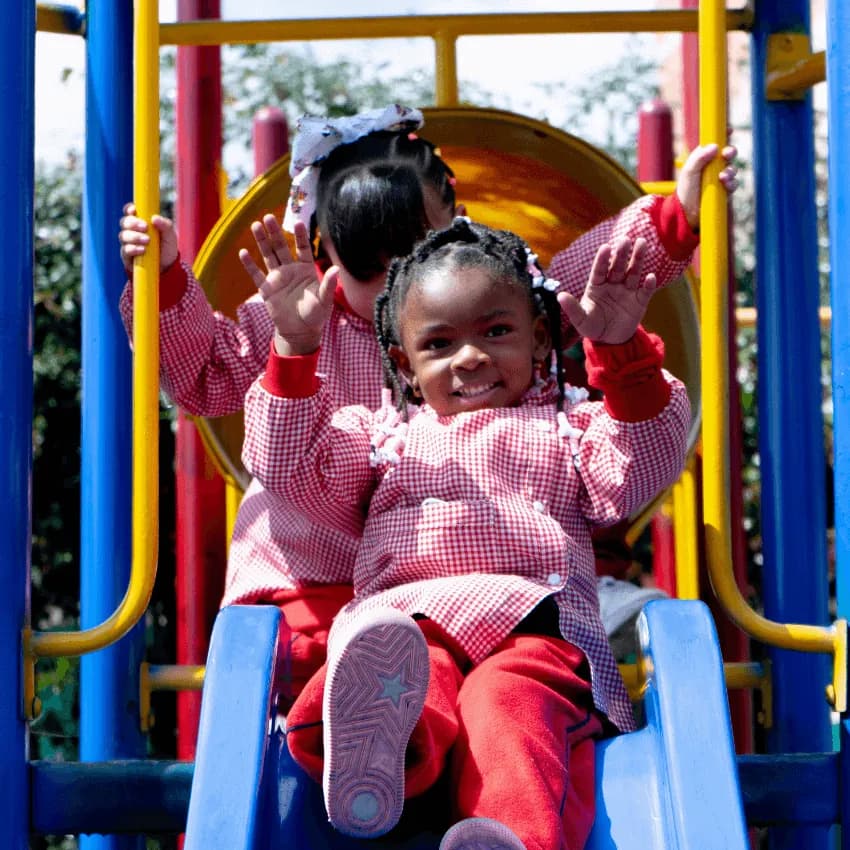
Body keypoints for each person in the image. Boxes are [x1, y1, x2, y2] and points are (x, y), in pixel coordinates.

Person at [117, 104, 735, 701]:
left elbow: (589, 279)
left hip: (453, 573)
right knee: (341, 667)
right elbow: (203, 373)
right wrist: (166, 281)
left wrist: (675, 216)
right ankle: (347, 728)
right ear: (325, 250)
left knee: (498, 672)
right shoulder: (299, 317)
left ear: (458, 224)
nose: (396, 284)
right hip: (315, 575)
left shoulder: (480, 302)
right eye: (368, 268)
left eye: (414, 254)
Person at [240, 218, 690, 849]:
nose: (471, 356)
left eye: (496, 331)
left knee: (507, 703)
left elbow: (640, 464)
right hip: (408, 630)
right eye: (440, 344)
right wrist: (294, 347)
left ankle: (504, 836)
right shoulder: (382, 437)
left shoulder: (570, 429)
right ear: (404, 364)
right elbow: (288, 465)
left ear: (539, 338)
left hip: (534, 630)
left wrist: (621, 353)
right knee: (407, 682)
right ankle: (382, 765)